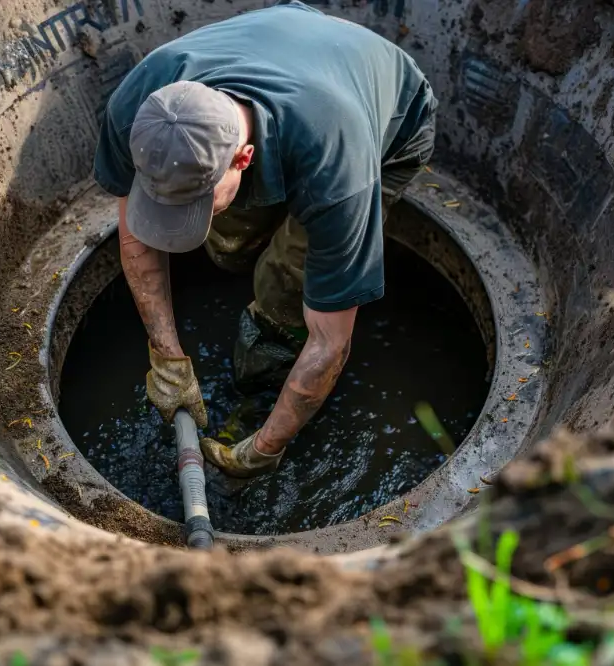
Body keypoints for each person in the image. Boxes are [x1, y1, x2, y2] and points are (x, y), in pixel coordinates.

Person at [92, 0, 437, 478]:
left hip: (389, 117)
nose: (177, 215)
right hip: (292, 54)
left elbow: (330, 341)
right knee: (228, 243)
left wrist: (265, 448)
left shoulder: (337, 171)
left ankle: (259, 386)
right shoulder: (143, 108)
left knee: (285, 290)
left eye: (194, 201)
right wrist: (166, 356)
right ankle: (253, 236)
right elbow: (138, 239)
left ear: (242, 158)